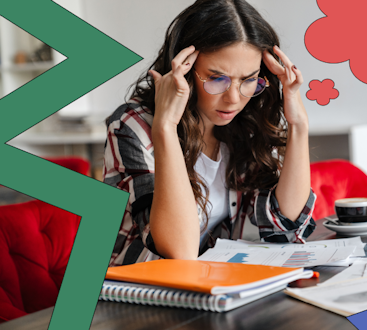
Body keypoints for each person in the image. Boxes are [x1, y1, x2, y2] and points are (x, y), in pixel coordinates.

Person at [103, 0, 316, 266]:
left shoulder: (245, 124)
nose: (234, 99)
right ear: (185, 71)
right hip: (138, 292)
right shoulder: (131, 126)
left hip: (213, 286)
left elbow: (286, 227)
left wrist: (298, 124)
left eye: (249, 80)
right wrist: (166, 127)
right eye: (217, 78)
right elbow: (179, 251)